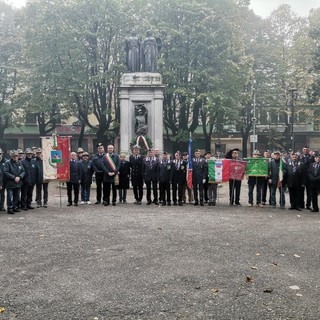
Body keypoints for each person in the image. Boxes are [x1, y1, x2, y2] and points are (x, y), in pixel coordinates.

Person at [300, 145, 314, 209]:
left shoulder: (312, 157)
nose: (305, 150)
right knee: (301, 191)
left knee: (309, 192)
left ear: (309, 150)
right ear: (303, 150)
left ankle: (308, 205)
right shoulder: (300, 157)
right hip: (302, 177)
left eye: (306, 149)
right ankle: (301, 204)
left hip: (309, 177)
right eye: (304, 149)